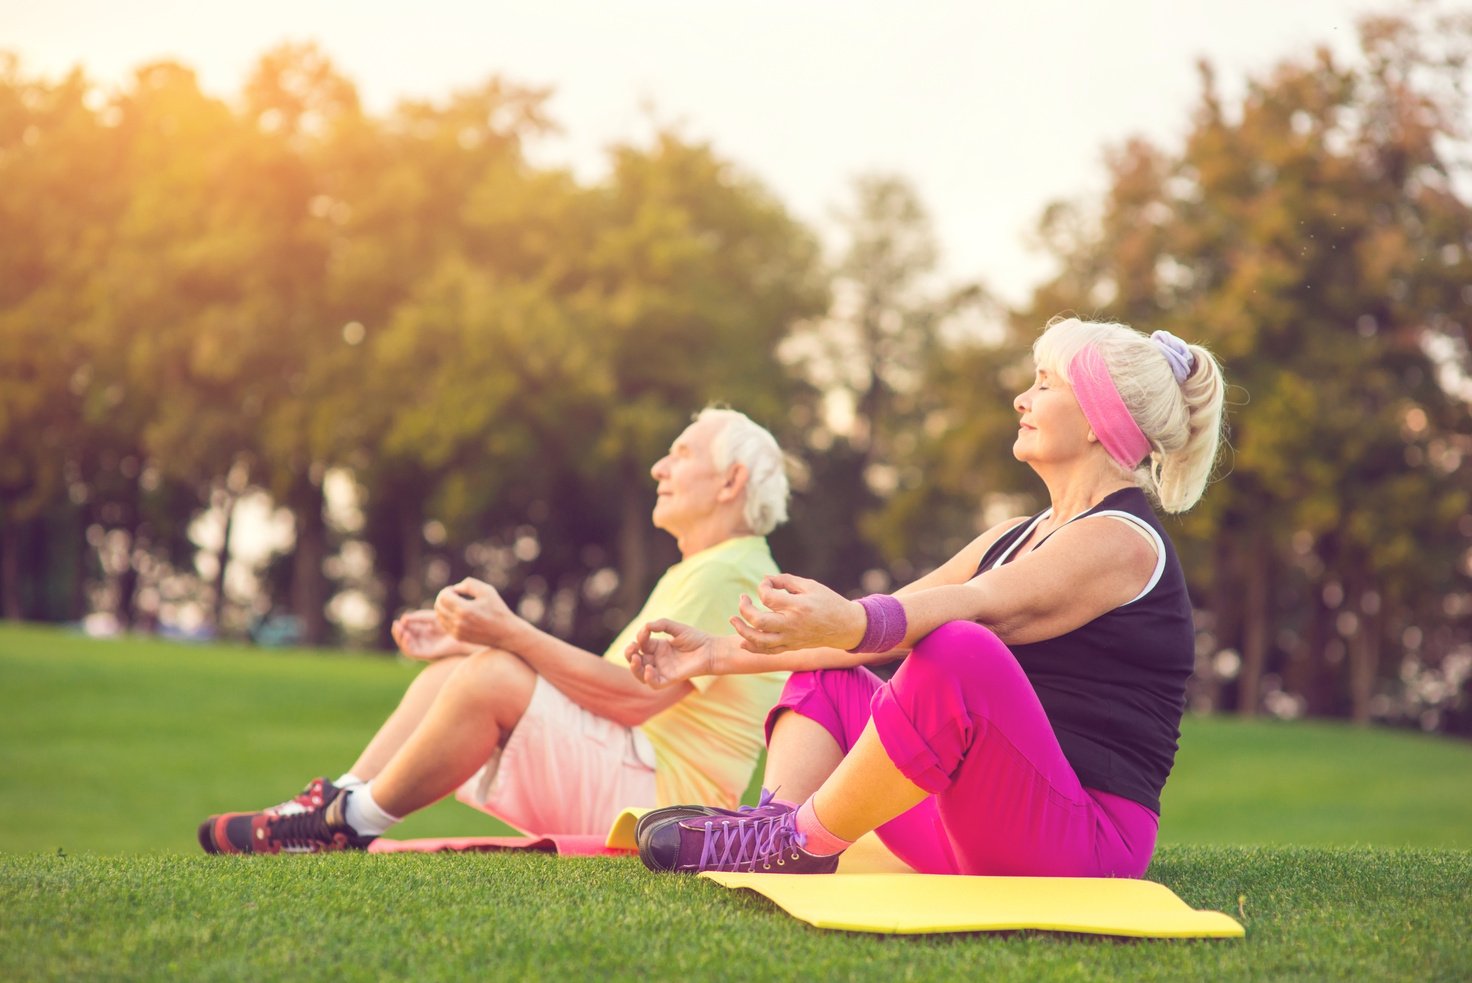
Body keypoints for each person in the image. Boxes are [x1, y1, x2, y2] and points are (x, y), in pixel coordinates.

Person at [627, 317, 1227, 878]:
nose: (1021, 399)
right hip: (969, 820)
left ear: (1100, 418)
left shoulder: (1123, 541)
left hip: (1083, 843)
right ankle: (774, 832)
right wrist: (711, 656)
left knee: (959, 648)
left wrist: (845, 620)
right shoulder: (1013, 535)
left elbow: (983, 605)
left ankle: (796, 841)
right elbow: (882, 628)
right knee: (830, 675)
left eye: (1044, 384)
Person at [198, 407, 792, 853]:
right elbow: (605, 686)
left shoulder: (729, 573)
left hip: (666, 809)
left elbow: (629, 698)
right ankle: (338, 802)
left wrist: (506, 635)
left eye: (682, 454)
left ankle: (351, 821)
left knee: (490, 675)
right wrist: (476, 639)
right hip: (642, 776)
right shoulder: (716, 568)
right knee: (467, 669)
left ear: (730, 481)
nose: (660, 467)